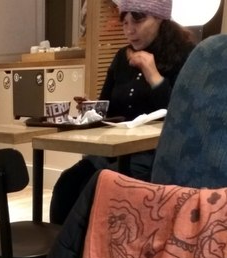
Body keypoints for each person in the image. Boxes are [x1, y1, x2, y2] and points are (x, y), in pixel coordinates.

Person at [49, 0, 195, 225]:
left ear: (160, 18)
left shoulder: (186, 55)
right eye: (124, 22)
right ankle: (62, 247)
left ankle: (88, 245)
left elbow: (183, 115)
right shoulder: (121, 57)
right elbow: (109, 107)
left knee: (95, 187)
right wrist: (92, 109)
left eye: (137, 20)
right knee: (67, 184)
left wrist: (153, 75)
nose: (129, 30)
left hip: (153, 154)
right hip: (114, 150)